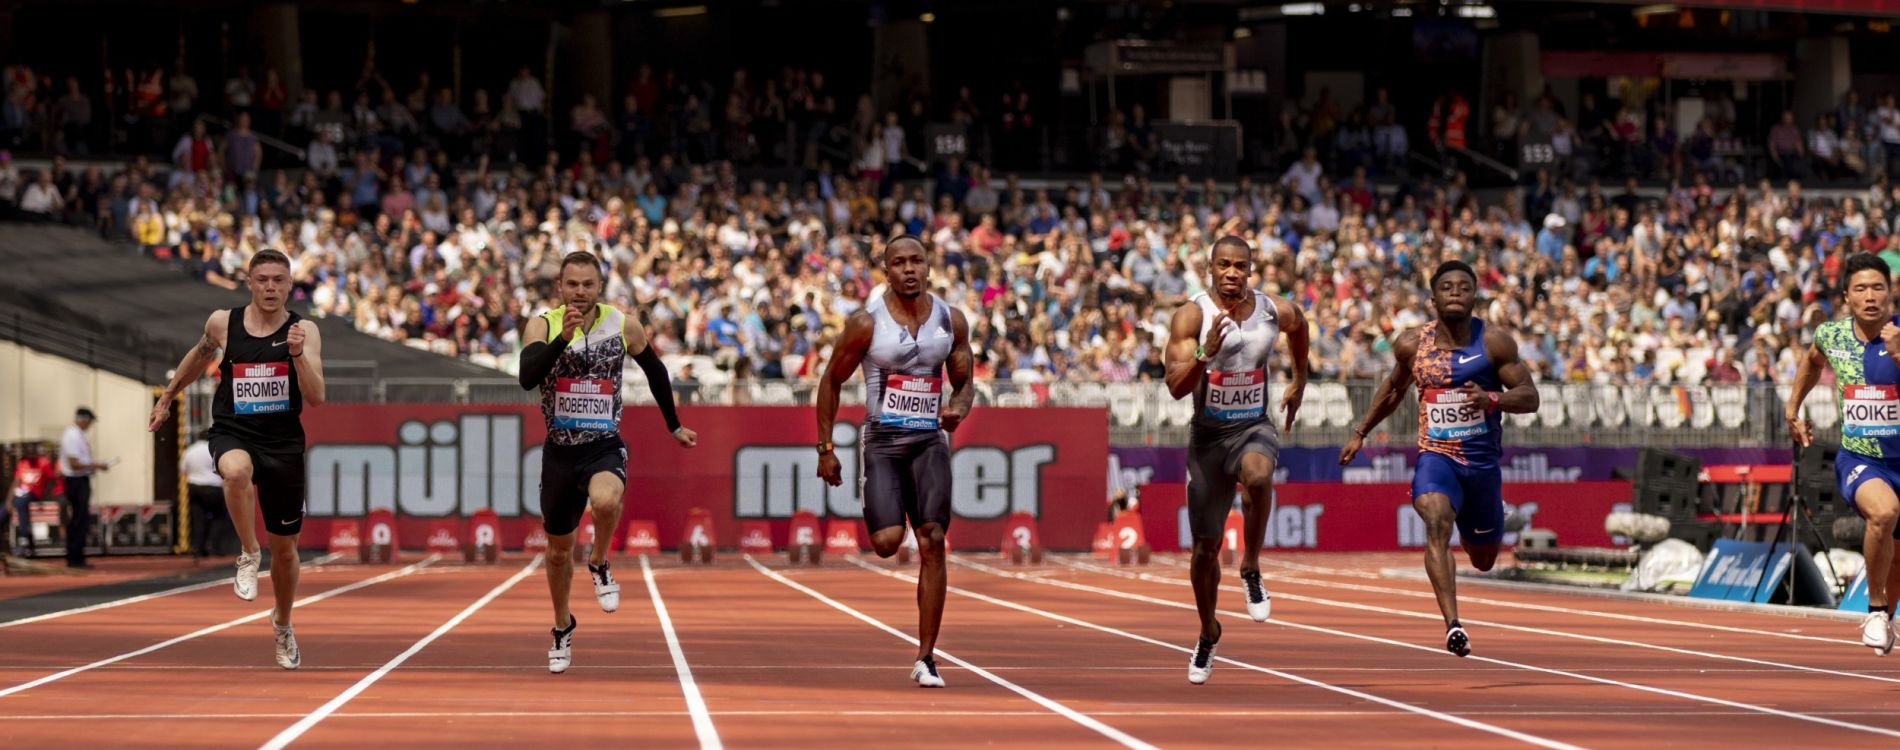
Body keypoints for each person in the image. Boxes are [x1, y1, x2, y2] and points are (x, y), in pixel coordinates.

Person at [1339, 259, 1539, 658]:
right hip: (1437, 456)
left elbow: (1530, 396)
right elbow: (1393, 389)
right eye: (1446, 287)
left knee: (1482, 559)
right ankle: (1453, 624)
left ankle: (1482, 517)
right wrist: (1361, 432)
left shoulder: (1493, 343)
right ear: (1433, 298)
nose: (1454, 293)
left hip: (1481, 464)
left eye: (1463, 287)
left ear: (1474, 297)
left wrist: (1494, 398)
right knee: (1434, 520)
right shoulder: (1413, 345)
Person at [516, 250, 696, 674]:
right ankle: (562, 625)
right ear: (560, 287)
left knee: (606, 501)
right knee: (559, 554)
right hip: (559, 452)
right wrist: (562, 338)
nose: (579, 293)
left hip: (603, 444)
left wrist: (673, 425)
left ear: (600, 287)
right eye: (572, 285)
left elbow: (656, 372)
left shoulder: (623, 324)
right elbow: (526, 378)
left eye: (588, 285)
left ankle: (598, 561)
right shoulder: (543, 324)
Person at [147, 249, 325, 669]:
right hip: (234, 431)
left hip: (282, 443)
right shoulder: (222, 323)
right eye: (262, 279)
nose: (270, 288)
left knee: (286, 552)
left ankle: (282, 623)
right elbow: (198, 355)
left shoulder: (305, 330)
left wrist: (297, 356)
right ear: (249, 282)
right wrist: (169, 396)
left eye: (278, 280)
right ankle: (248, 552)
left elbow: (316, 397)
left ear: (289, 285)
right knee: (235, 471)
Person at [816, 235, 975, 688]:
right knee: (887, 542)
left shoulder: (951, 320)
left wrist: (959, 407)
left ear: (929, 267)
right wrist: (825, 449)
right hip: (883, 442)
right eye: (899, 263)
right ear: (886, 272)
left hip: (928, 441)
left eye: (917, 261)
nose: (909, 269)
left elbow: (965, 381)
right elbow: (830, 382)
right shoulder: (867, 324)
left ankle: (927, 656)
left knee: (933, 539)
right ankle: (897, 504)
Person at [1161, 235, 1309, 685]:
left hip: (1252, 426)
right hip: (1208, 439)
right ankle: (1208, 630)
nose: (1231, 273)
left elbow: (1299, 326)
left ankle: (1251, 566)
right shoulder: (1191, 316)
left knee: (1260, 475)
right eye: (1223, 264)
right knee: (1205, 550)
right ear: (1210, 269)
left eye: (1239, 265)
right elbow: (1175, 386)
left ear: (1250, 269)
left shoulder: (1272, 310)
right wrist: (1206, 351)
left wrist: (1300, 379)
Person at [1786, 252, 1900, 655]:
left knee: (1896, 549)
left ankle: (1886, 618)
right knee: (1884, 513)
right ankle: (1874, 609)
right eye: (1861, 289)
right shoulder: (1831, 336)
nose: (1871, 296)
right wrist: (1792, 410)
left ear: (1891, 292)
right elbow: (1811, 363)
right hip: (1861, 458)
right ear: (1847, 297)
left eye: (1878, 288)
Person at [59, 407, 112, 568]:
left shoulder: (79, 435)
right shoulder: (72, 435)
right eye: (89, 421)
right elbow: (74, 464)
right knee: (78, 519)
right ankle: (74, 557)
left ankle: (77, 556)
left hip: (81, 479)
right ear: (83, 419)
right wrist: (97, 464)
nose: (90, 425)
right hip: (75, 480)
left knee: (81, 519)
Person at [179, 431, 232, 560]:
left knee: (198, 519)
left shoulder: (190, 451)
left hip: (195, 487)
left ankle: (198, 549)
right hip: (214, 487)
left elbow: (183, 469)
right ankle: (215, 546)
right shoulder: (214, 450)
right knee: (219, 518)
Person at [9, 443, 53, 557]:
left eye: (34, 453)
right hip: (20, 494)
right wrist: (8, 500)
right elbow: (16, 482)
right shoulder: (22, 464)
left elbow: (51, 480)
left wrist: (46, 496)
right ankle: (26, 540)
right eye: (29, 453)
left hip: (34, 493)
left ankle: (24, 539)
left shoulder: (44, 463)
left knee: (20, 502)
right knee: (3, 512)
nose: (32, 455)